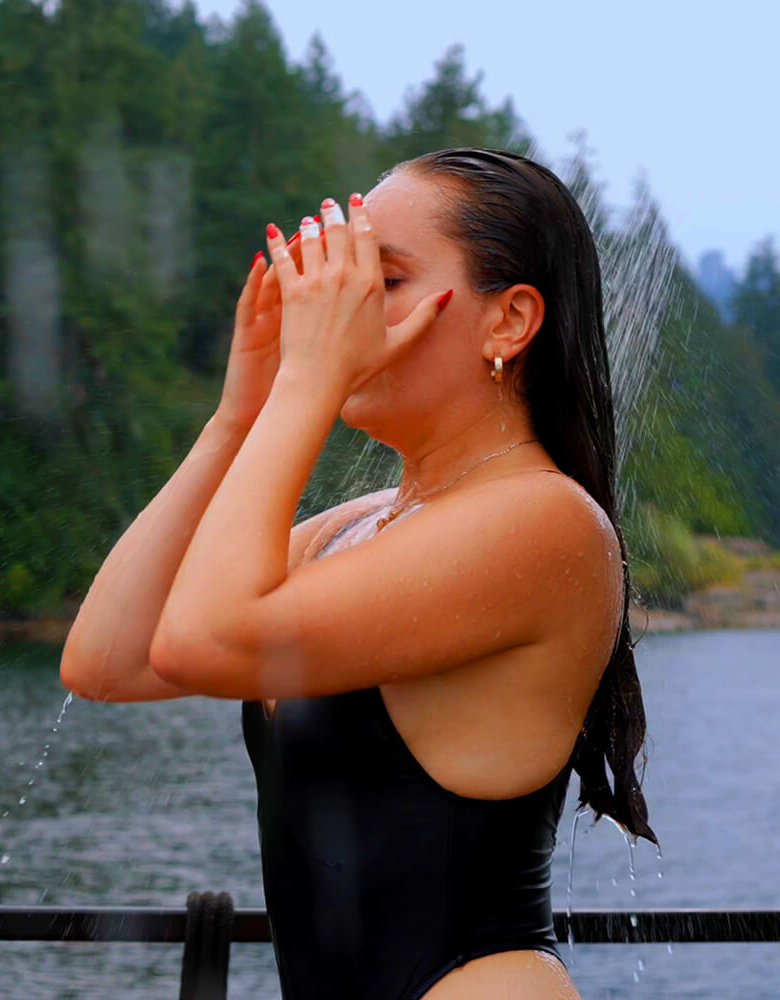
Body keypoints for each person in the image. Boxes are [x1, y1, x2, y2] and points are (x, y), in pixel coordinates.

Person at [61, 147, 659, 999]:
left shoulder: (545, 521)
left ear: (509, 321)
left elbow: (203, 641)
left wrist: (307, 381)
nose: (337, 312)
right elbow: (110, 659)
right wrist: (246, 409)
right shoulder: (362, 525)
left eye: (381, 281)